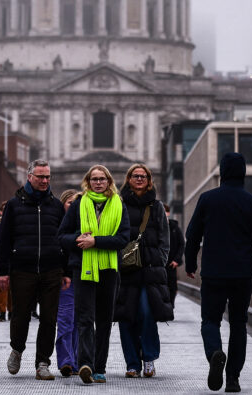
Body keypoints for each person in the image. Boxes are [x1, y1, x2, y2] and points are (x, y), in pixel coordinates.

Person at [185, 152, 252, 393]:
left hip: (213, 271)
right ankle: (233, 378)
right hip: (242, 273)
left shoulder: (207, 199)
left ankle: (215, 352)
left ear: (222, 172)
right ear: (243, 173)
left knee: (210, 320)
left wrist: (190, 263)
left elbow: (193, 234)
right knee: (238, 324)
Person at [0, 159, 69, 381]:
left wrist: (66, 271)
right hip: (22, 269)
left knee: (49, 318)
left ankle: (43, 363)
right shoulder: (13, 205)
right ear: (29, 177)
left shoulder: (56, 206)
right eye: (40, 176)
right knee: (20, 316)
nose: (45, 180)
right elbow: (4, 241)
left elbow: (64, 241)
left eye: (48, 176)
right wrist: (1, 271)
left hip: (51, 269)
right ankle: (17, 349)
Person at [58, 164, 130, 384]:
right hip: (83, 268)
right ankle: (86, 364)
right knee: (85, 319)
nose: (98, 182)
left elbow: (123, 239)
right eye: (94, 179)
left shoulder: (119, 205)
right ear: (87, 182)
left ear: (109, 181)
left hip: (109, 269)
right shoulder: (78, 205)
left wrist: (95, 241)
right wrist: (79, 239)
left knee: (105, 320)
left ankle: (100, 367)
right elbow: (62, 235)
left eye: (102, 179)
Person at [115, 163, 172, 378]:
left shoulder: (156, 207)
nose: (139, 179)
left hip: (149, 270)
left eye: (143, 176)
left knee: (148, 313)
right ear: (128, 179)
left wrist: (160, 260)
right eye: (135, 176)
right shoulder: (118, 205)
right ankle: (132, 363)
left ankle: (148, 358)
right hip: (126, 270)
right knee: (126, 315)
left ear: (149, 180)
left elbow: (165, 239)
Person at [55, 188, 81, 377]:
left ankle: (78, 361)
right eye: (70, 203)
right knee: (65, 320)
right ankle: (66, 361)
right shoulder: (56, 225)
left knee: (81, 322)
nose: (73, 206)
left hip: (82, 277)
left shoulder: (84, 224)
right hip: (64, 279)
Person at [164, 203, 185, 307]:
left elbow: (181, 244)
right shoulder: (153, 226)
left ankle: (170, 306)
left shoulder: (174, 227)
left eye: (166, 215)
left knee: (172, 286)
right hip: (157, 263)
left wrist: (177, 260)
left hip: (171, 263)